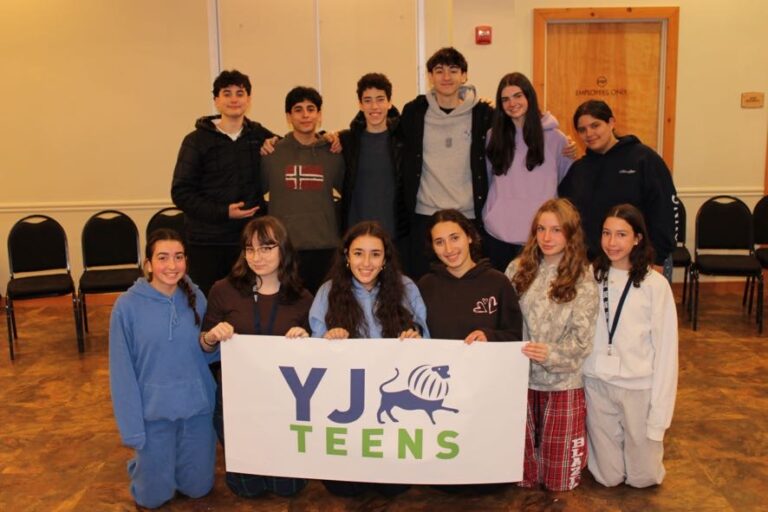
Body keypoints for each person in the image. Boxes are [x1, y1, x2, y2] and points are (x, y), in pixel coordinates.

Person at [309, 220, 428, 497]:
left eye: (375, 254)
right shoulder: (328, 291)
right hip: (345, 400)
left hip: (393, 401)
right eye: (358, 253)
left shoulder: (406, 288)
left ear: (385, 259)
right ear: (346, 256)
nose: (366, 262)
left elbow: (426, 337)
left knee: (394, 487)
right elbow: (313, 352)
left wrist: (416, 338)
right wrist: (328, 340)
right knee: (343, 488)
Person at [109, 229, 226, 508]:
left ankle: (163, 463)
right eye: (162, 258)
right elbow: (121, 373)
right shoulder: (126, 307)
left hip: (196, 408)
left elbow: (208, 355)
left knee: (198, 489)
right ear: (148, 264)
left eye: (178, 257)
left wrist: (214, 341)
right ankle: (144, 464)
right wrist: (132, 430)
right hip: (154, 412)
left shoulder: (197, 297)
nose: (172, 265)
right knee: (152, 499)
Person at [201, 216, 313, 498]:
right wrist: (211, 337)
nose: (256, 257)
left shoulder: (302, 298)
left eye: (266, 248)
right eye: (250, 249)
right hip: (237, 400)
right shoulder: (223, 290)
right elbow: (204, 346)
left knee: (288, 488)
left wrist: (306, 340)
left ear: (283, 249)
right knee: (246, 489)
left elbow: (314, 360)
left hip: (283, 401)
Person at [505, 199, 599, 491]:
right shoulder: (517, 269)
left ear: (570, 234)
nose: (547, 237)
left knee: (559, 482)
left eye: (556, 230)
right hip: (520, 381)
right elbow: (503, 321)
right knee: (522, 478)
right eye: (541, 229)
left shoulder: (583, 277)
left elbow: (582, 340)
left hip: (562, 383)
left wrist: (551, 354)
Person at [583, 204, 678, 488]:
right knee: (608, 477)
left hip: (638, 386)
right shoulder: (590, 277)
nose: (612, 242)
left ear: (637, 238)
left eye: (621, 234)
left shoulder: (655, 285)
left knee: (643, 478)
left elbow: (667, 353)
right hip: (597, 382)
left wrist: (659, 417)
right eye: (606, 233)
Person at [171, 69, 276, 296]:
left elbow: (297, 144)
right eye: (227, 93)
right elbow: (181, 192)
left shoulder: (259, 135)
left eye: (240, 93)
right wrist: (224, 212)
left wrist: (330, 137)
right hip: (206, 242)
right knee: (209, 303)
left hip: (249, 243)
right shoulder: (195, 140)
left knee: (248, 302)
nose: (234, 99)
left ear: (248, 99)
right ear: (216, 100)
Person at [398, 47, 494, 279]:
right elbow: (382, 123)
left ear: (464, 75)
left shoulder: (483, 114)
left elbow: (517, 125)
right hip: (425, 215)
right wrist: (338, 137)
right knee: (424, 284)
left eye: (453, 70)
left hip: (468, 215)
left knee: (468, 284)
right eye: (439, 71)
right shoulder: (414, 112)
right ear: (430, 77)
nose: (446, 77)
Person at [558, 99, 678, 279]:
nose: (589, 133)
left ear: (611, 122)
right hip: (593, 267)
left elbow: (664, 212)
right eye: (582, 129)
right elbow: (566, 216)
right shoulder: (578, 170)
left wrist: (658, 260)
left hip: (641, 262)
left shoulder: (644, 159)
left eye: (595, 125)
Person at [484, 73, 574, 271]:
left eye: (518, 96)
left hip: (541, 235)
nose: (512, 103)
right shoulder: (493, 136)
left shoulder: (556, 139)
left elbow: (563, 181)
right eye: (505, 99)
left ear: (529, 97)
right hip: (498, 233)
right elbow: (488, 178)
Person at [261, 86, 345, 294]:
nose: (305, 115)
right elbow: (254, 194)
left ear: (319, 114)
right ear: (289, 117)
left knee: (324, 305)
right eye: (298, 110)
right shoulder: (272, 153)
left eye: (311, 109)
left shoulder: (333, 152)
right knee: (288, 305)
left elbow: (350, 193)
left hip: (325, 246)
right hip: (284, 247)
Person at [418, 209, 522, 343]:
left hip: (486, 357)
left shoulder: (498, 282)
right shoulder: (426, 285)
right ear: (432, 247)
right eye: (439, 242)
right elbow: (418, 331)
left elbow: (515, 336)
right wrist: (412, 337)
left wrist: (490, 337)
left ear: (469, 237)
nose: (449, 249)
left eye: (454, 238)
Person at [339, 73, 407, 242]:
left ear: (389, 103)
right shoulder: (347, 141)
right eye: (368, 100)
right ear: (360, 105)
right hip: (357, 233)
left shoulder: (403, 140)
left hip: (395, 234)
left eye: (380, 99)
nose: (374, 106)